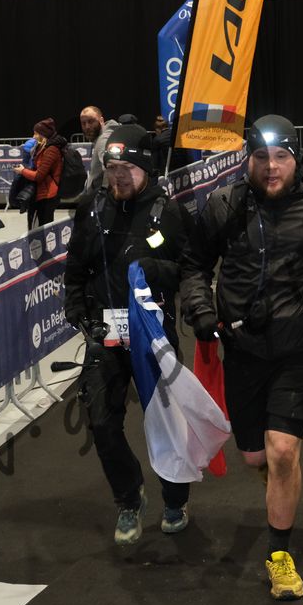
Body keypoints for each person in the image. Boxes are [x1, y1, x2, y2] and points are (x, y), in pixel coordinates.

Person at [180, 114, 303, 600]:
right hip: (242, 349)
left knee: (284, 451)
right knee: (256, 455)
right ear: (248, 159)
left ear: (296, 159)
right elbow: (194, 265)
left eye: (281, 157)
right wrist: (201, 310)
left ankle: (279, 556)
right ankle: (278, 478)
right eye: (261, 157)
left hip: (299, 347)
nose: (271, 167)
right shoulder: (225, 205)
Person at [63, 123, 198, 544]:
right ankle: (128, 498)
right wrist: (76, 307)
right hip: (105, 333)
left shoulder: (168, 213)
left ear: (146, 170)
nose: (118, 177)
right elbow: (75, 267)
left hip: (153, 335)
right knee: (101, 421)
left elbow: (191, 270)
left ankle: (175, 500)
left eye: (127, 170)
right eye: (111, 168)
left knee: (167, 422)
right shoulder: (91, 208)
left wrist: (158, 270)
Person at [20, 117, 65, 230]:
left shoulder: (51, 150)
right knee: (37, 228)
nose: (33, 136)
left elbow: (39, 176)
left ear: (43, 134)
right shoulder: (41, 147)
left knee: (46, 229)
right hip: (41, 193)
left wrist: (22, 171)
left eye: (36, 133)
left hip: (48, 195)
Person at [80, 105, 120, 194]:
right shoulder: (104, 137)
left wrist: (103, 194)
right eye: (83, 123)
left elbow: (111, 168)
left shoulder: (103, 140)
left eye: (91, 121)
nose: (87, 127)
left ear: (101, 121)